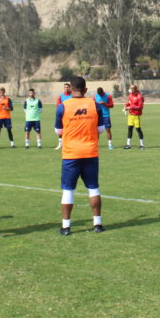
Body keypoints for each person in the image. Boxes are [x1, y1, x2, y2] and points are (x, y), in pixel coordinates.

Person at [54, 76, 106, 235]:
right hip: (90, 152)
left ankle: (66, 227)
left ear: (70, 89)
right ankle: (97, 224)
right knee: (93, 188)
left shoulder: (62, 106)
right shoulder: (94, 105)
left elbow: (58, 131)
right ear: (85, 89)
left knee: (68, 190)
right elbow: (101, 129)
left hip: (70, 154)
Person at [123, 84, 145, 150]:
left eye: (132, 89)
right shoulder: (130, 95)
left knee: (138, 129)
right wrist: (126, 105)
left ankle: (142, 145)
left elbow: (140, 107)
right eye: (130, 88)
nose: (130, 90)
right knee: (129, 129)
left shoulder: (139, 96)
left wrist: (130, 107)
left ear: (135, 89)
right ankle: (128, 144)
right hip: (130, 115)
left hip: (136, 115)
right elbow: (129, 102)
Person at [54, 83, 72, 149]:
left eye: (67, 87)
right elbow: (58, 105)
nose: (66, 88)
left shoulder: (72, 96)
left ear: (70, 88)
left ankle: (69, 144)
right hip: (63, 116)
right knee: (61, 130)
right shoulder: (61, 96)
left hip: (71, 116)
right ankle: (60, 144)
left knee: (70, 130)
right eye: (65, 87)